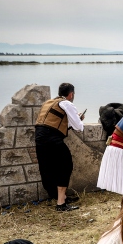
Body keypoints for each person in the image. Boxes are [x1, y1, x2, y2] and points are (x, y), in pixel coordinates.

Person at [34, 82, 84, 211]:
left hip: (39, 138)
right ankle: (61, 204)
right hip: (52, 138)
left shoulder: (48, 103)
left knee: (48, 169)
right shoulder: (67, 103)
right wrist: (79, 119)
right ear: (71, 94)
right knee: (65, 166)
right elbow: (79, 127)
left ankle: (61, 197)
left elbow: (54, 123)